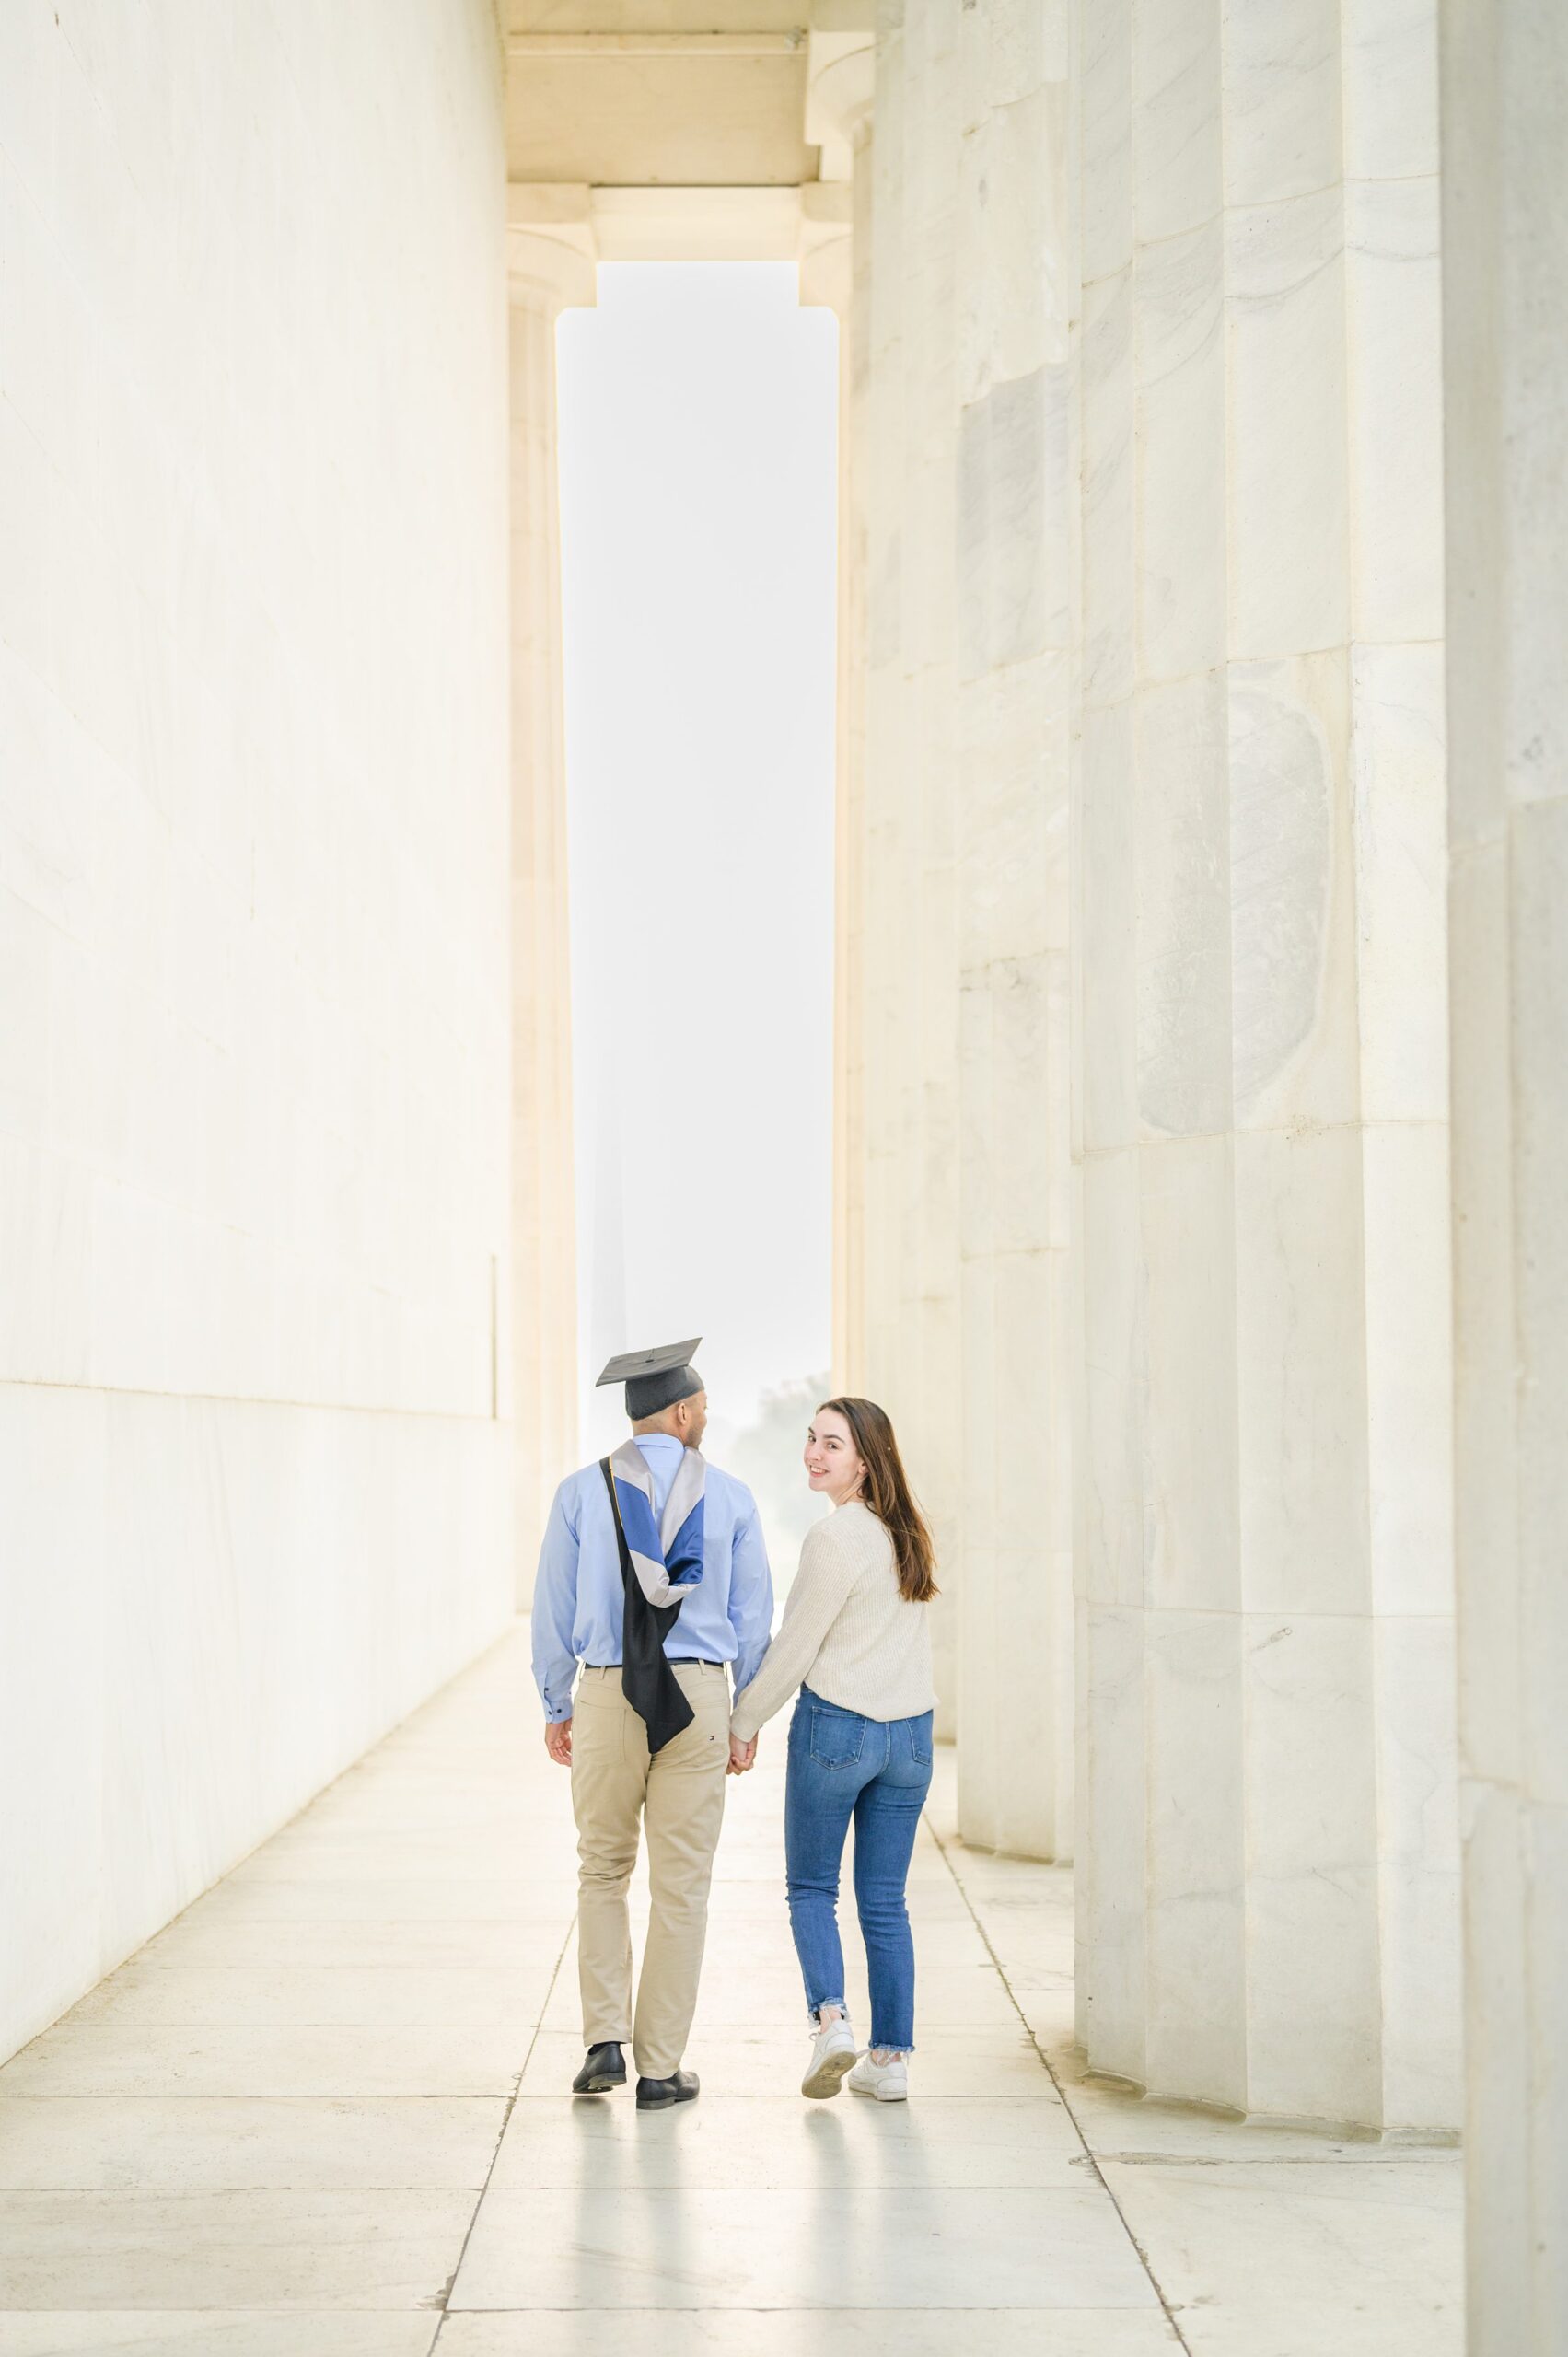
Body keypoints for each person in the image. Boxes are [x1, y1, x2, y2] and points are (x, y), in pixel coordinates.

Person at [531, 1338, 772, 2110]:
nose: (704, 1417)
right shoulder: (729, 1498)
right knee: (682, 1888)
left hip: (605, 1694)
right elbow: (753, 1620)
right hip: (699, 1698)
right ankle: (661, 2069)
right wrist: (747, 1715)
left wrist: (556, 1702)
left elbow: (553, 1610)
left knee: (601, 1870)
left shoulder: (578, 1493)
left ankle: (604, 2040)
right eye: (700, 1407)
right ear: (679, 1411)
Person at [729, 1395, 937, 2103]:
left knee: (812, 1888)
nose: (814, 1454)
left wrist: (743, 1721)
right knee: (884, 1902)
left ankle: (831, 2023)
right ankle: (890, 2062)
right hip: (909, 1739)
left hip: (838, 1731)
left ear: (865, 1460)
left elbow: (796, 1648)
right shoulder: (907, 1533)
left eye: (832, 1445)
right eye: (811, 1440)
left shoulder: (835, 1538)